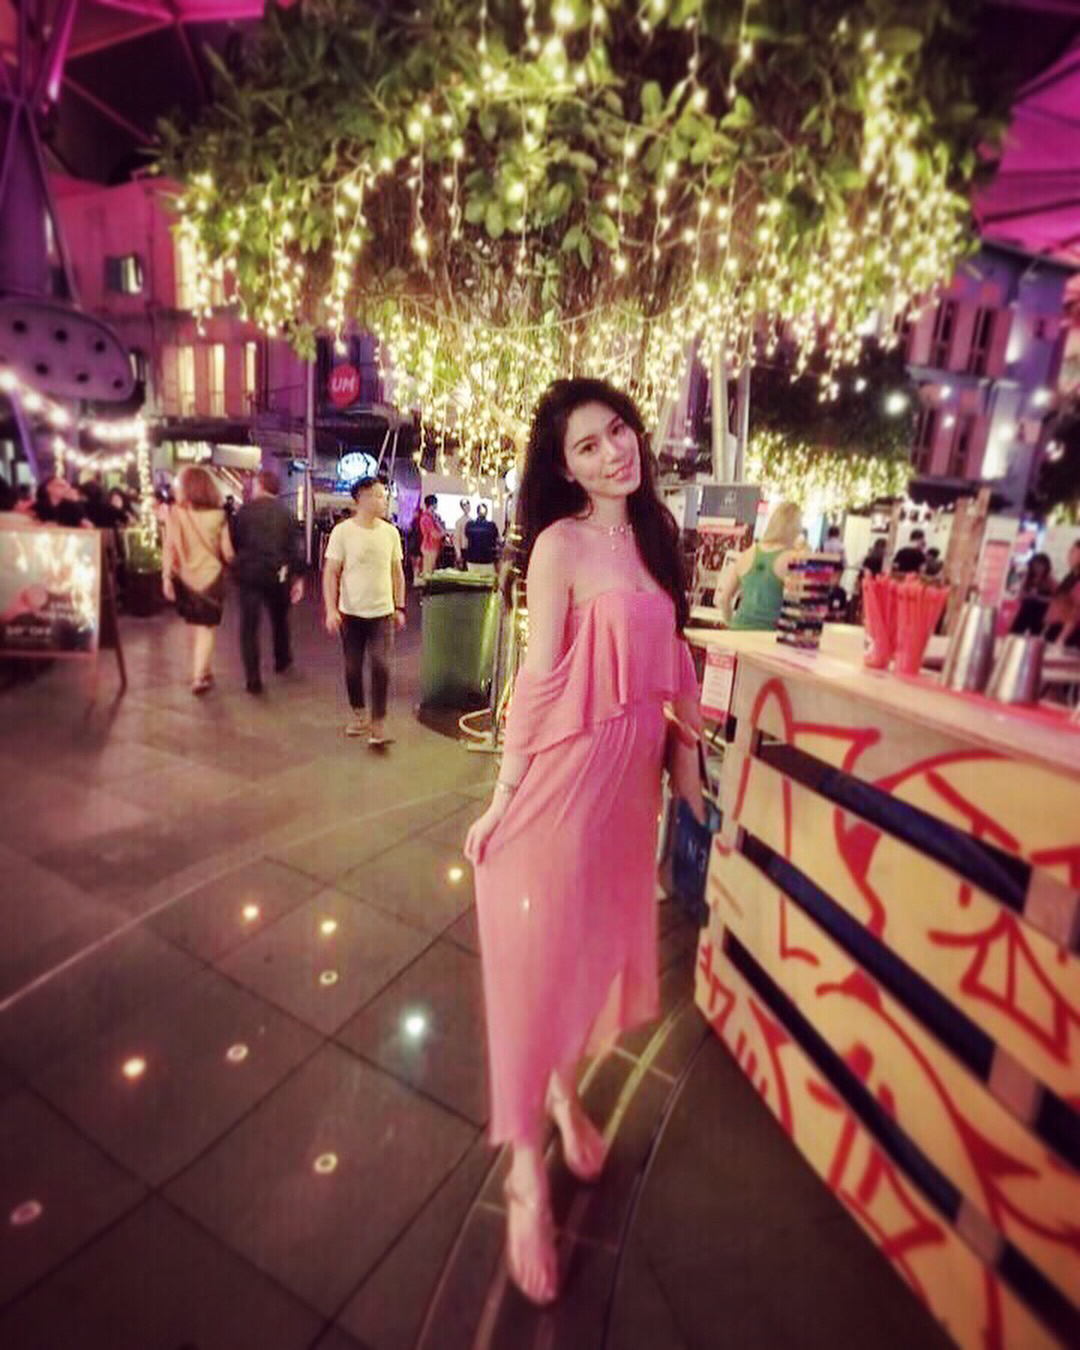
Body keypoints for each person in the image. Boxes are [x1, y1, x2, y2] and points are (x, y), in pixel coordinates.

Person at [464, 378, 703, 1306]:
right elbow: (536, 679)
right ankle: (526, 1170)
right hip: (569, 780)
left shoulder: (658, 535)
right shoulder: (559, 546)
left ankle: (565, 1094)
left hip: (632, 791)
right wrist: (501, 798)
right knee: (541, 964)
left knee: (591, 957)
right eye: (588, 447)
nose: (614, 453)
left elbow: (676, 662)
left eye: (618, 430)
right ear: (564, 470)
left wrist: (687, 771)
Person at [323, 477, 406, 746]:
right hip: (351, 613)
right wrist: (331, 610)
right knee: (352, 668)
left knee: (381, 665)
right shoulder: (343, 532)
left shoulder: (390, 533)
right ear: (363, 498)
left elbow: (397, 572)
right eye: (380, 496)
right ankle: (359, 715)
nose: (384, 501)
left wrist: (400, 606)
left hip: (382, 613)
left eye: (385, 496)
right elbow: (331, 572)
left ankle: (378, 724)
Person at [231, 469, 305, 694]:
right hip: (277, 574)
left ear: (260, 485)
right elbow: (294, 549)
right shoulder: (287, 514)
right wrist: (298, 578)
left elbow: (235, 542)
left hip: (249, 574)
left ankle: (253, 679)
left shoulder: (243, 512)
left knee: (249, 627)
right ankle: (282, 659)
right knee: (280, 619)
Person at [162, 465, 234, 694]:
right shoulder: (219, 516)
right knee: (206, 629)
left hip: (186, 579)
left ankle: (204, 669)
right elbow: (228, 552)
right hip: (211, 577)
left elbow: (169, 548)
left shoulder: (175, 514)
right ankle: (198, 676)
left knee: (196, 626)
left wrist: (166, 577)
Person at [715, 500, 801, 630]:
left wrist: (731, 623)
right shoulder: (791, 558)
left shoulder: (746, 554)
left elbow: (724, 599)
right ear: (795, 528)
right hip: (768, 633)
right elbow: (796, 604)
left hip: (738, 630)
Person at [1044, 540, 1080, 648]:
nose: (1069, 555)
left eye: (1073, 552)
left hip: (1067, 633)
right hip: (1055, 628)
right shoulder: (1069, 577)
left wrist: (1061, 639)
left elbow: (1075, 613)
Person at [1010, 552, 1055, 635]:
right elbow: (1019, 596)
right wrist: (1024, 594)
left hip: (1040, 613)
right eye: (1036, 565)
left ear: (1046, 567)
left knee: (1035, 635)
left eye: (1041, 565)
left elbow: (1054, 600)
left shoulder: (1050, 581)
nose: (1038, 568)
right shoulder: (1027, 578)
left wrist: (1038, 597)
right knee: (1015, 633)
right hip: (1025, 610)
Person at [464, 502, 500, 574]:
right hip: (487, 560)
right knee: (487, 580)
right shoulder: (491, 526)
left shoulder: (470, 525)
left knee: (472, 579)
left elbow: (466, 539)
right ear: (486, 512)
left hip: (472, 559)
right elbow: (496, 540)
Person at [418, 494, 446, 578]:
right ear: (433, 504)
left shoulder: (434, 517)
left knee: (432, 569)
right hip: (429, 547)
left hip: (434, 546)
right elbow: (434, 534)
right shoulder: (426, 518)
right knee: (428, 571)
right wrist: (443, 533)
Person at [454, 499, 472, 566]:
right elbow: (457, 538)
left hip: (470, 548)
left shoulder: (472, 521)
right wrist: (458, 552)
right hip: (463, 548)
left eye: (468, 505)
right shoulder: (459, 521)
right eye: (465, 505)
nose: (467, 507)